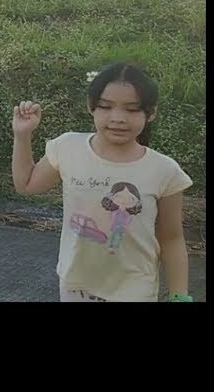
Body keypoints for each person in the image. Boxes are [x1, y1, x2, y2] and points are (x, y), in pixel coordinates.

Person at [11, 63, 194, 302]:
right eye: (106, 107)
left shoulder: (164, 170)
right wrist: (22, 135)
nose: (117, 118)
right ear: (91, 106)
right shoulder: (68, 147)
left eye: (132, 109)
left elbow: (171, 238)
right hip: (75, 285)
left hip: (134, 289)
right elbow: (26, 185)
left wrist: (180, 295)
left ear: (151, 113)